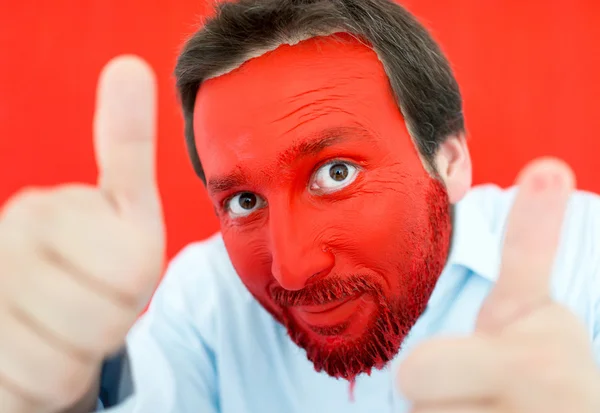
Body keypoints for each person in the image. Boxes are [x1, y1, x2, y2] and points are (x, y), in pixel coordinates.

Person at [1, 0, 599, 412]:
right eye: (242, 200)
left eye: (335, 174)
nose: (292, 270)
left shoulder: (583, 257)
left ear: (451, 163)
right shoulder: (204, 300)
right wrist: (64, 384)